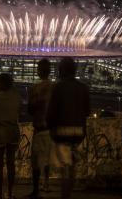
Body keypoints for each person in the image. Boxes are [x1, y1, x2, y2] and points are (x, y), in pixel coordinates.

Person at [46, 57, 90, 199]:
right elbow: (87, 111)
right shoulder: (83, 88)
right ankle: (68, 193)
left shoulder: (58, 87)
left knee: (65, 168)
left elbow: (51, 112)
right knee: (71, 168)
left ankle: (65, 196)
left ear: (61, 70)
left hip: (62, 132)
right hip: (78, 132)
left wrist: (51, 128)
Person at [27, 59, 54, 199]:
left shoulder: (34, 89)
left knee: (36, 161)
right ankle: (47, 184)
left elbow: (30, 109)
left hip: (39, 128)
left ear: (38, 71)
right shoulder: (54, 87)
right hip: (50, 129)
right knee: (47, 159)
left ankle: (36, 190)